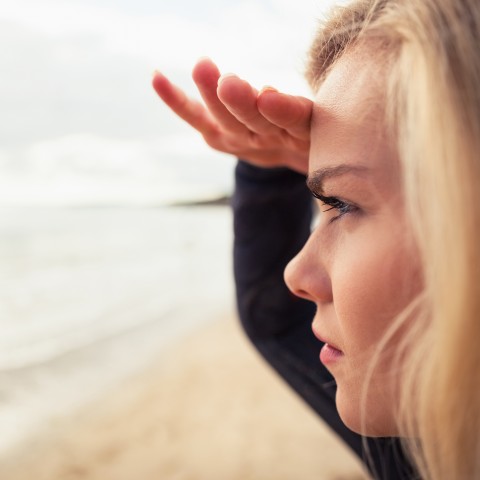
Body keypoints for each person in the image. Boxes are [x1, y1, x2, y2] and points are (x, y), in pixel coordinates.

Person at [152, 0, 480, 478]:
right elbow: (273, 317)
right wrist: (271, 171)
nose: (295, 275)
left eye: (342, 205)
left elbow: (274, 320)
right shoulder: (431, 444)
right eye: (325, 206)